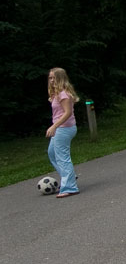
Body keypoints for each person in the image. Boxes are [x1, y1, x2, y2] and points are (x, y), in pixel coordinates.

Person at [46, 67, 80, 197]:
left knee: (62, 157)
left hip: (64, 128)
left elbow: (68, 113)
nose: (51, 80)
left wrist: (54, 126)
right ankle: (69, 177)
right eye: (50, 78)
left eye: (54, 77)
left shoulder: (63, 94)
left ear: (61, 78)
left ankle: (70, 187)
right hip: (60, 128)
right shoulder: (56, 93)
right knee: (52, 153)